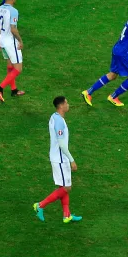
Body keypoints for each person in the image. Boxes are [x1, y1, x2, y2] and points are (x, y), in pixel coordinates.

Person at [33, 96, 83, 224]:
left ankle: (66, 215)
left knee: (63, 186)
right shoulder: (59, 121)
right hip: (60, 159)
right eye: (66, 102)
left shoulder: (54, 117)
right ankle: (40, 205)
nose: (68, 104)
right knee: (66, 187)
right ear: (61, 106)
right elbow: (61, 144)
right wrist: (72, 160)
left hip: (57, 157)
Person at [0, 0, 25, 102]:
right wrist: (20, 41)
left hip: (3, 41)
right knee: (18, 69)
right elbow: (13, 29)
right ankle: (0, 88)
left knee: (10, 65)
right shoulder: (13, 11)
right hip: (11, 43)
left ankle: (14, 90)